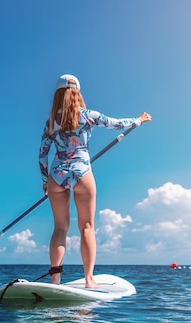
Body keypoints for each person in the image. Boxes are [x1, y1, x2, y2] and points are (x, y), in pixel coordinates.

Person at [39, 74, 152, 288]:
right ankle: (89, 279)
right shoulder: (88, 115)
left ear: (57, 95)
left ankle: (55, 279)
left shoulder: (51, 123)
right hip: (82, 173)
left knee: (60, 227)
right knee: (87, 227)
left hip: (57, 175)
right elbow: (117, 124)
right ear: (78, 93)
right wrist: (139, 120)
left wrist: (46, 181)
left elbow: (42, 154)